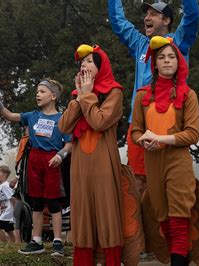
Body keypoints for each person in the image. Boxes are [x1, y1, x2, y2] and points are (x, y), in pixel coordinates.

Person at [131, 36, 199, 266]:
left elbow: (192, 134)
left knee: (179, 217)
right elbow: (135, 131)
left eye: (172, 57)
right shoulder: (142, 96)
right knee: (163, 219)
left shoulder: (188, 95)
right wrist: (143, 141)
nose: (167, 61)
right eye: (162, 57)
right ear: (155, 63)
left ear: (179, 62)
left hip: (178, 162)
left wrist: (159, 138)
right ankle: (178, 260)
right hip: (152, 162)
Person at [59, 44, 142, 266]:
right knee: (82, 217)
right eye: (82, 62)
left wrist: (87, 97)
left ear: (100, 66)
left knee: (108, 216)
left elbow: (100, 121)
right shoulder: (78, 96)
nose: (83, 65)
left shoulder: (114, 92)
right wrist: (80, 98)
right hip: (79, 166)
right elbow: (63, 127)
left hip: (104, 163)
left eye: (88, 61)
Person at [108, 0, 199, 197]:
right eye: (146, 14)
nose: (146, 18)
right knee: (137, 182)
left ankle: (165, 227)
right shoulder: (141, 44)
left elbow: (192, 17)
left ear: (166, 20)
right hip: (139, 123)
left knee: (166, 184)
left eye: (153, 14)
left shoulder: (179, 42)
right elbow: (118, 21)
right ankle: (138, 229)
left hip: (169, 122)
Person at [0, 79, 72, 256]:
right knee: (36, 203)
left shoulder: (62, 118)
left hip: (51, 161)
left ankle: (57, 242)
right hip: (34, 161)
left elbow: (70, 144)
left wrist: (59, 156)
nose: (37, 94)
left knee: (54, 203)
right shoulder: (32, 116)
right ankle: (36, 240)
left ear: (53, 96)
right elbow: (10, 116)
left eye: (42, 91)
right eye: (37, 91)